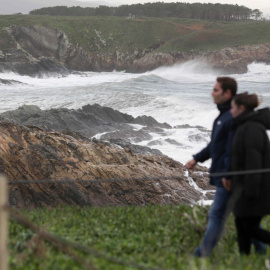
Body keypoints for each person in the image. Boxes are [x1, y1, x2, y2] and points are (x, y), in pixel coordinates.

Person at [185, 78, 265, 257]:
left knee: (217, 215)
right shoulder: (224, 116)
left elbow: (232, 150)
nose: (211, 93)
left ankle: (202, 254)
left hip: (228, 177)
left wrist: (228, 175)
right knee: (244, 217)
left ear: (227, 93)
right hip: (228, 175)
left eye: (215, 90)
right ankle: (260, 252)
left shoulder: (231, 116)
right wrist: (197, 159)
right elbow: (217, 145)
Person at [225, 93, 270, 255]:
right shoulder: (245, 126)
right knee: (241, 225)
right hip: (244, 188)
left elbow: (254, 164)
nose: (231, 111)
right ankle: (244, 261)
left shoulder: (251, 128)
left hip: (253, 191)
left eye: (233, 108)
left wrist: (250, 193)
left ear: (241, 108)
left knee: (249, 227)